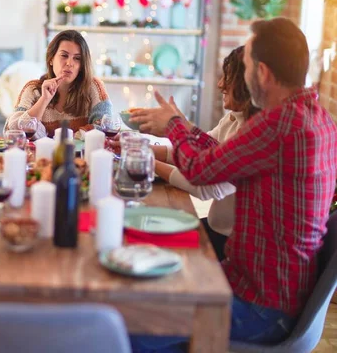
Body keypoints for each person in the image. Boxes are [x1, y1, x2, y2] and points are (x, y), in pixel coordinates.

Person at [130, 17, 337, 351]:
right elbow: (226, 158)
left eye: (245, 65)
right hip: (267, 290)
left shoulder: (278, 124)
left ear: (264, 73)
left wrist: (174, 126)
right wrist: (180, 126)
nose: (241, 74)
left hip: (260, 306)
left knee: (129, 323)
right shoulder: (317, 117)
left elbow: (200, 171)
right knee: (152, 282)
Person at [152, 46, 259, 261]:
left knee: (156, 244)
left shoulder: (253, 132)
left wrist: (148, 163)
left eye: (228, 78)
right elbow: (204, 151)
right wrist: (153, 151)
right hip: (216, 228)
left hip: (229, 245)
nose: (220, 84)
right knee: (153, 232)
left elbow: (206, 186)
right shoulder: (233, 118)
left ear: (247, 83)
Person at [5, 30, 112, 138]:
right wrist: (44, 100)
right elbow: (12, 130)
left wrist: (75, 138)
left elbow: (106, 126)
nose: (69, 63)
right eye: (64, 55)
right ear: (51, 59)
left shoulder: (93, 86)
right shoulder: (32, 89)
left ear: (81, 65)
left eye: (77, 58)